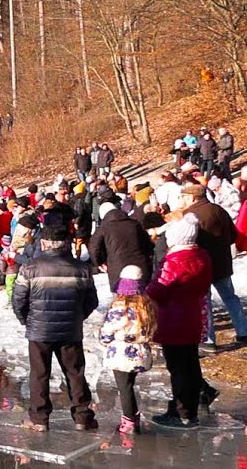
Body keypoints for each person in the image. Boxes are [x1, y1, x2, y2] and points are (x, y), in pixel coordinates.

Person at [13, 226, 99, 432]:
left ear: (43, 244)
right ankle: (82, 417)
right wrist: (77, 317)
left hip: (39, 331)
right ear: (67, 244)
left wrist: (27, 320)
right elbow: (91, 301)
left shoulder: (30, 267)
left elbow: (18, 300)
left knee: (39, 374)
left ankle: (39, 419)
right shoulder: (81, 269)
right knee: (75, 372)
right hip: (70, 330)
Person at [146, 215, 212, 428]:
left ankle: (181, 412)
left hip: (173, 320)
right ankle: (189, 409)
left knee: (178, 368)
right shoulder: (202, 257)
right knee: (191, 364)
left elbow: (158, 290)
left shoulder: (174, 262)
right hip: (193, 317)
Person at [183, 183, 247, 346]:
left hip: (201, 265)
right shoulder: (219, 210)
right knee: (231, 298)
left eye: (183, 197)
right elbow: (233, 235)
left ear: (191, 197)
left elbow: (187, 241)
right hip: (222, 263)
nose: (182, 199)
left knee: (205, 302)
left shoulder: (190, 214)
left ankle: (209, 340)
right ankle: (243, 331)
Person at [100, 266, 156, 435]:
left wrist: (105, 340)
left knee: (124, 387)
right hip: (140, 353)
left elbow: (108, 330)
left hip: (121, 354)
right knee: (129, 385)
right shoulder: (146, 307)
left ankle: (129, 420)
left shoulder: (120, 307)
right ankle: (134, 415)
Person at [89, 201, 154, 293]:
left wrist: (99, 263)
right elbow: (149, 245)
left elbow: (94, 248)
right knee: (142, 297)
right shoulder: (135, 224)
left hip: (117, 267)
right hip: (141, 265)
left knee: (121, 298)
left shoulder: (103, 228)